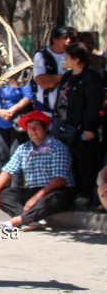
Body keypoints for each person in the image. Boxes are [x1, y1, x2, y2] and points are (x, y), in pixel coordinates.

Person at [0, 111, 74, 231]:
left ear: (45, 129)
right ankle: (30, 219)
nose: (32, 131)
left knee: (52, 200)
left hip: (56, 191)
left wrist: (36, 198)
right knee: (4, 194)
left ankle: (18, 221)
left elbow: (58, 180)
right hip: (34, 190)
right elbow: (7, 170)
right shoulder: (23, 148)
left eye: (36, 127)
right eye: (29, 128)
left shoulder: (57, 147)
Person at [55, 43, 104, 207]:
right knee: (69, 161)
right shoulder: (68, 76)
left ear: (77, 59)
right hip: (64, 127)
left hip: (82, 129)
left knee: (86, 162)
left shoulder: (91, 77)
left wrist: (89, 127)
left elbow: (93, 104)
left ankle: (86, 193)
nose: (65, 59)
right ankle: (71, 192)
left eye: (68, 56)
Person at [0, 76, 33, 185]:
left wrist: (11, 110)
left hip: (17, 122)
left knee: (15, 154)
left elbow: (28, 96)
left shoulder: (19, 76)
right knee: (1, 155)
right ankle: (1, 187)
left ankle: (16, 187)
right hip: (0, 121)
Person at [32, 26, 72, 117]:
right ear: (55, 39)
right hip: (45, 109)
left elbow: (74, 79)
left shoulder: (71, 56)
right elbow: (40, 80)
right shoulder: (41, 56)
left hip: (66, 110)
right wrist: (64, 77)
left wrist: (51, 82)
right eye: (65, 38)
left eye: (70, 38)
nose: (69, 41)